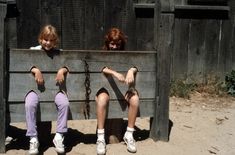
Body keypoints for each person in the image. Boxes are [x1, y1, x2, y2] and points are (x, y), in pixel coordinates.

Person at [26, 25, 69, 154]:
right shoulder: (33, 50)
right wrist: (35, 69)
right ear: (41, 39)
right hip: (34, 90)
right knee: (30, 104)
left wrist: (63, 69)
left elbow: (69, 64)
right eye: (46, 39)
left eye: (51, 40)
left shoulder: (59, 53)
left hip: (55, 90)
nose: (48, 43)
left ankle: (59, 136)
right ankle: (33, 138)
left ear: (55, 41)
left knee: (64, 104)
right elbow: (25, 63)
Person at [96, 28, 139, 154]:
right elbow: (101, 68)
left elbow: (136, 64)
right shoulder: (102, 54)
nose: (114, 47)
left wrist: (132, 70)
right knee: (102, 99)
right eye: (112, 44)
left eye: (117, 44)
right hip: (104, 90)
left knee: (135, 99)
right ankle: (100, 137)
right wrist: (114, 73)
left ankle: (129, 134)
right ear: (107, 43)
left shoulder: (125, 56)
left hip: (122, 91)